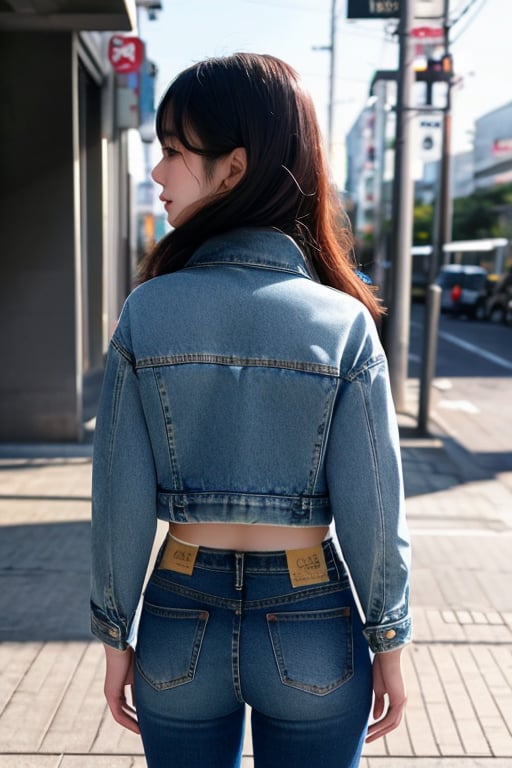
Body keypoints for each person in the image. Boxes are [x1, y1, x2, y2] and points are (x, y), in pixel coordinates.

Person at [90, 52, 412, 768]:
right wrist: (389, 639)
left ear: (233, 168)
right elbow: (375, 508)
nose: (157, 173)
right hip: (311, 616)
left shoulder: (148, 311)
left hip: (178, 611)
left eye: (173, 151)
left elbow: (118, 499)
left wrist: (115, 636)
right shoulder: (343, 323)